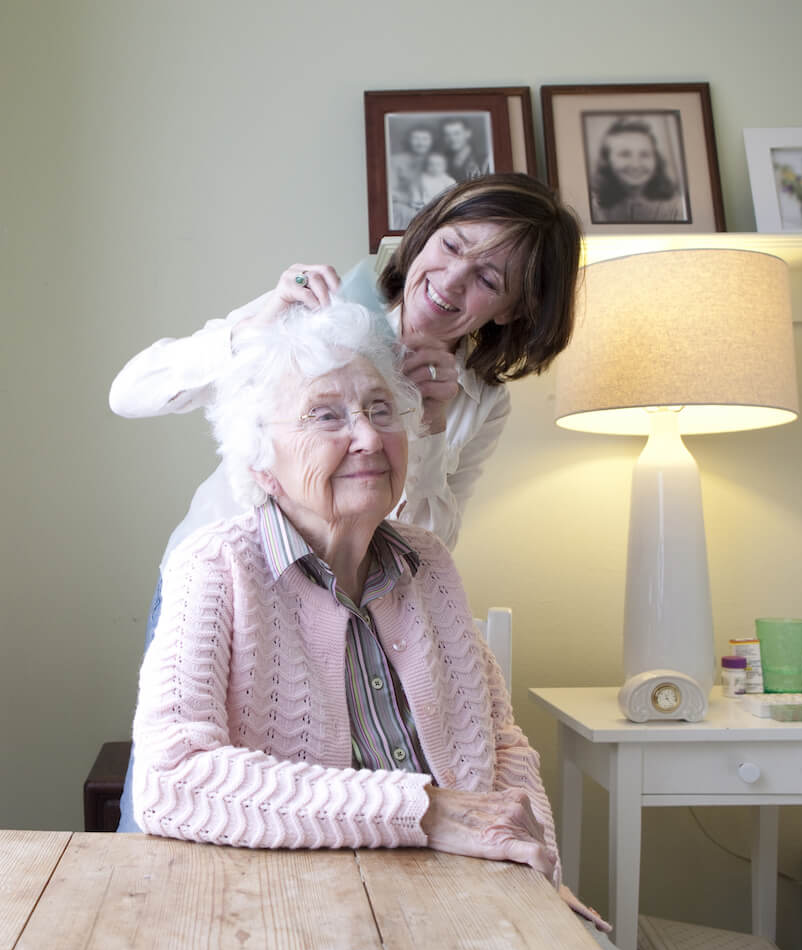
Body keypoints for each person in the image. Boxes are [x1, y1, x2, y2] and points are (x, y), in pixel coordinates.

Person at [109, 172, 580, 829]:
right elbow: (129, 393)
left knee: (327, 785)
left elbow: (420, 547)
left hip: (359, 603)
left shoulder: (478, 401)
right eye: (451, 246)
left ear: (511, 312)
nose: (450, 280)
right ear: (423, 236)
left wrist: (431, 431)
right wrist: (255, 327)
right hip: (238, 590)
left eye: (489, 280)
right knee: (174, 801)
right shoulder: (312, 318)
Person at [130, 300, 597, 913]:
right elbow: (170, 779)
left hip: (469, 904)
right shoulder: (216, 566)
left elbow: (503, 745)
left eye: (381, 410)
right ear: (260, 462)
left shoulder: (428, 566)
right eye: (326, 416)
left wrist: (539, 879)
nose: (369, 436)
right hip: (292, 913)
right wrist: (426, 810)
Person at [589, 118, 688, 223]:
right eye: (625, 154)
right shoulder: (595, 208)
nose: (636, 164)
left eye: (645, 155)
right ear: (606, 160)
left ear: (656, 159)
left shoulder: (678, 207)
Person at [441, 117, 491, 183]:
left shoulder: (484, 160)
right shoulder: (442, 160)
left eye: (456, 133)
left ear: (468, 134)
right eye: (447, 135)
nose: (452, 139)